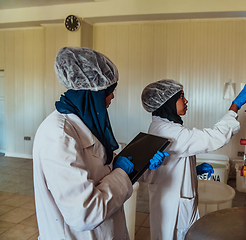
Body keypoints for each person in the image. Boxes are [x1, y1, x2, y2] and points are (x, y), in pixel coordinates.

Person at [32, 47, 169, 240]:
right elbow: (85, 213)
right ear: (92, 92)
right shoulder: (58, 134)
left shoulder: (84, 124)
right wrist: (121, 172)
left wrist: (140, 165)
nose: (112, 96)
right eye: (109, 91)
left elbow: (100, 169)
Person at [140, 79, 246, 240]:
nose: (186, 100)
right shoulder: (170, 132)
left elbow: (168, 164)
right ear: (168, 102)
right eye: (181, 96)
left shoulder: (162, 126)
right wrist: (234, 106)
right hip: (174, 206)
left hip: (170, 198)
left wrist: (192, 170)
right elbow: (214, 137)